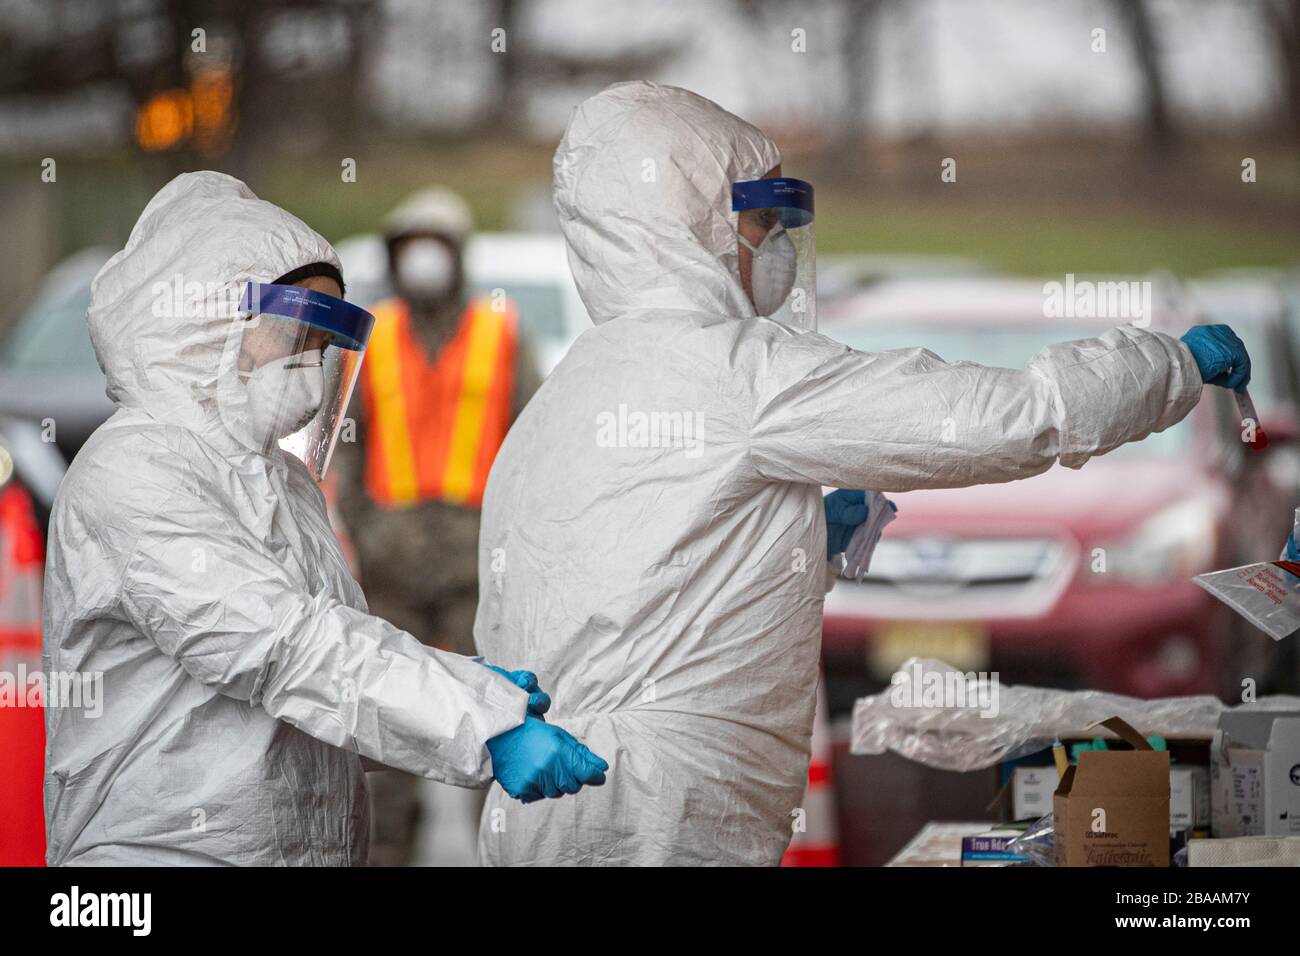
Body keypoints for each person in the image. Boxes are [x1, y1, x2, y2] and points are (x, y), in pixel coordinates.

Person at [472, 81, 1251, 866]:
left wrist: (804, 547)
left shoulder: (557, 402)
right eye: (759, 222)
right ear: (685, 222)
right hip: (660, 816)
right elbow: (1006, 416)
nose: (774, 246)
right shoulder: (737, 373)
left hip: (556, 809)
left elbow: (649, 604)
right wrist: (1172, 364)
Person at [42, 171, 606, 866]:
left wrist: (464, 689)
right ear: (208, 323)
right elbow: (285, 648)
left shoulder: (279, 481)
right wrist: (479, 718)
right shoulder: (135, 472)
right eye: (294, 333)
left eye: (321, 341)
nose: (310, 364)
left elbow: (319, 693)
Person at [332, 186, 543, 864]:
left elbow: (531, 440)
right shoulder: (374, 335)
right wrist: (366, 531)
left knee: (500, 718)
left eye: (435, 244)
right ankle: (389, 854)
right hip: (392, 569)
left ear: (457, 254)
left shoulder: (501, 331)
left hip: (477, 567)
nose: (422, 258)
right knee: (388, 733)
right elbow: (349, 442)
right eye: (409, 245)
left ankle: (504, 854)